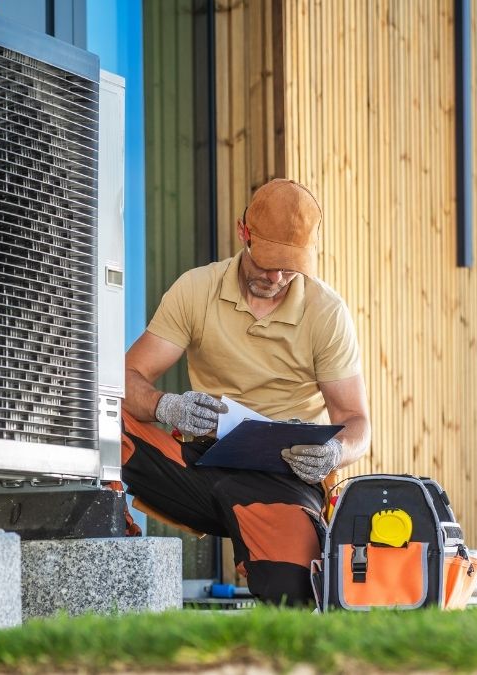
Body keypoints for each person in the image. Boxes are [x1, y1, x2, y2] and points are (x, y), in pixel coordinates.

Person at [121, 178, 371, 606]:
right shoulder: (196, 289)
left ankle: (260, 543)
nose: (275, 278)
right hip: (197, 466)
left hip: (283, 480)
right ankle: (104, 531)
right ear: (244, 233)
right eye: (268, 261)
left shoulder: (326, 312)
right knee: (100, 409)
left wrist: (334, 454)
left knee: (295, 595)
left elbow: (357, 422)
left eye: (289, 268)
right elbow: (126, 378)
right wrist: (167, 406)